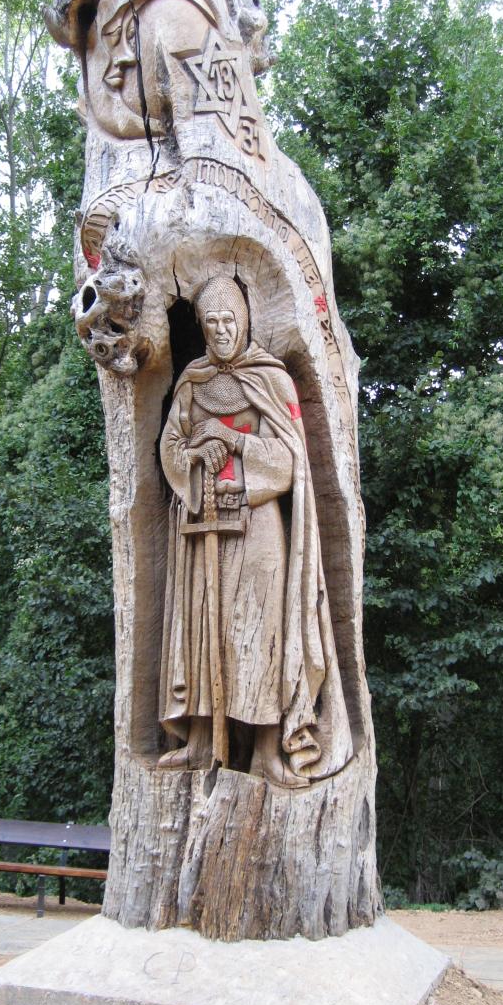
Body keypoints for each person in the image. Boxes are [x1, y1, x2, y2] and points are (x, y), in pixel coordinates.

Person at [157, 277, 353, 786]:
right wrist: (195, 456)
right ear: (201, 329)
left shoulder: (272, 379)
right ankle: (202, 741)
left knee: (259, 633)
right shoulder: (193, 382)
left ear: (244, 322)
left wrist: (232, 440)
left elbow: (289, 461)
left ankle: (268, 749)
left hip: (259, 526)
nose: (222, 332)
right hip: (200, 525)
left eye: (230, 321)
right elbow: (171, 447)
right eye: (212, 324)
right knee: (204, 629)